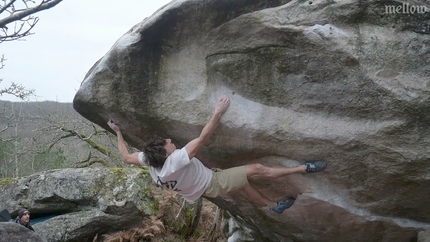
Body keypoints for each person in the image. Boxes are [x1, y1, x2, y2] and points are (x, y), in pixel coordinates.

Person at [107, 96, 327, 214]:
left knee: (242, 184)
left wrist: (118, 132)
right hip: (212, 183)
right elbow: (203, 138)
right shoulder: (176, 161)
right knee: (258, 170)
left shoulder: (150, 160)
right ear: (167, 156)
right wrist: (217, 113)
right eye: (168, 144)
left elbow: (126, 157)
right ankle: (303, 168)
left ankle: (272, 206)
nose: (170, 141)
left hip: (202, 189)